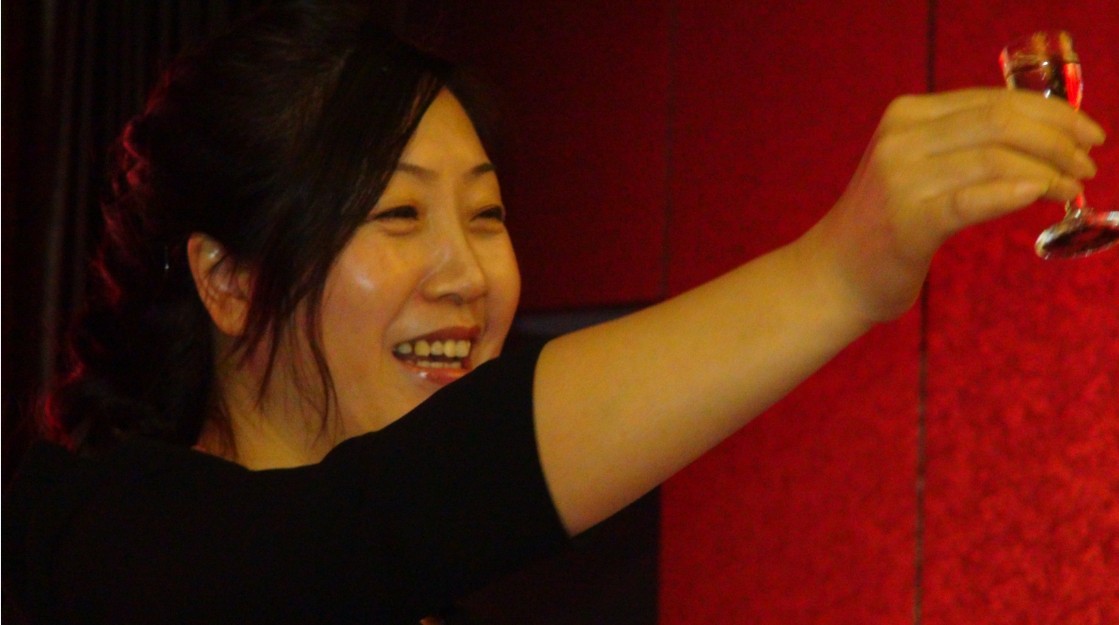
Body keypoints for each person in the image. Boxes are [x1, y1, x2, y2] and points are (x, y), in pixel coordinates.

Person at [3, 1, 1105, 624]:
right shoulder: (93, 543)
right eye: (397, 215)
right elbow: (372, 521)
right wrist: (837, 274)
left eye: (486, 216)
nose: (467, 274)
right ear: (228, 280)